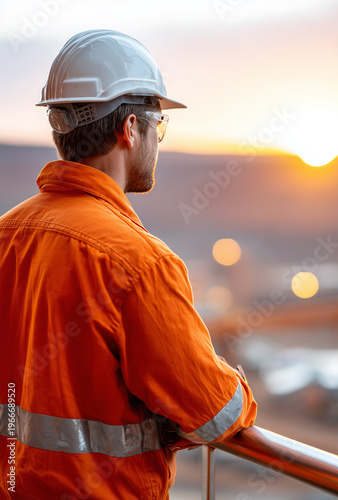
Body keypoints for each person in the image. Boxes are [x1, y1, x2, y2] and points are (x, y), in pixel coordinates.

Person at [0, 30, 257, 499]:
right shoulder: (138, 262)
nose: (156, 139)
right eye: (157, 124)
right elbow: (214, 411)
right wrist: (234, 385)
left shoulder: (6, 236)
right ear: (130, 129)